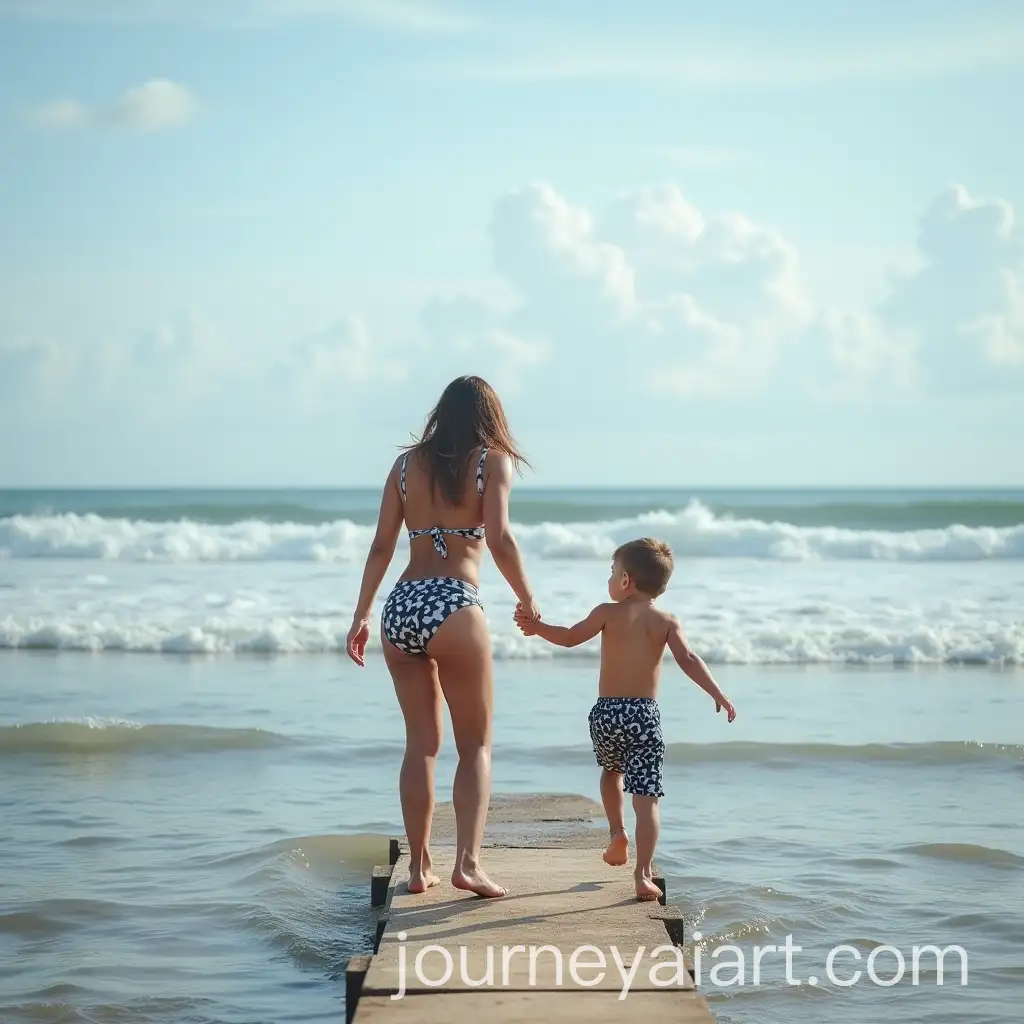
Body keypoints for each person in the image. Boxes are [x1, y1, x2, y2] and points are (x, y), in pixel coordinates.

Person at [346, 376, 538, 899]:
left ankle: (418, 867)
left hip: (402, 606)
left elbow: (382, 546)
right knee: (474, 745)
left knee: (421, 747)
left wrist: (362, 616)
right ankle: (468, 865)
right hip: (454, 604)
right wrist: (527, 597)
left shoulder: (406, 465)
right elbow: (498, 538)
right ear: (490, 416)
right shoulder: (492, 460)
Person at [514, 537, 736, 901]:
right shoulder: (666, 621)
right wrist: (717, 693)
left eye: (612, 572)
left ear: (626, 580)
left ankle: (617, 833)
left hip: (606, 714)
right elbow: (689, 659)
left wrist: (537, 628)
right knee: (647, 800)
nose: (610, 578)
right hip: (643, 717)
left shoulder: (606, 612)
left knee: (611, 773)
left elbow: (570, 638)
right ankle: (643, 874)